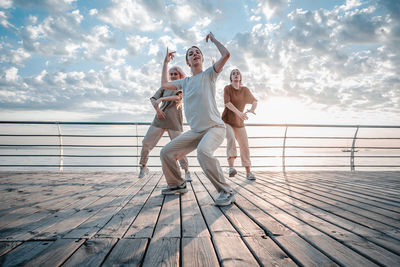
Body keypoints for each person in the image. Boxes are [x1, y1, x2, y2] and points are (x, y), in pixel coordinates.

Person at [159, 32, 235, 206]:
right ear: (187, 62)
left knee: (203, 152)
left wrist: (214, 39)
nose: (195, 55)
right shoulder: (184, 83)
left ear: (201, 58)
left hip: (215, 128)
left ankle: (226, 191)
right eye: (190, 54)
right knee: (166, 153)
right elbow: (164, 85)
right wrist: (165, 63)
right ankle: (177, 184)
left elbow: (226, 55)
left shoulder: (209, 74)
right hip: (196, 132)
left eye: (197, 52)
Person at [138, 49, 191, 181]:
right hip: (160, 120)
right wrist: (157, 109)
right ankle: (143, 167)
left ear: (180, 76)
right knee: (146, 143)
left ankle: (186, 171)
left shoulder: (181, 87)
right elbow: (152, 98)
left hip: (174, 122)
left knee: (180, 148)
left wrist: (161, 100)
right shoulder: (164, 87)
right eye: (171, 74)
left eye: (175, 74)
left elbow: (177, 98)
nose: (173, 76)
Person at [221, 68, 258, 180]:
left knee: (244, 146)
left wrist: (251, 109)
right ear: (231, 77)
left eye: (238, 73)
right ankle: (231, 168)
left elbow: (255, 101)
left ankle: (248, 173)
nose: (236, 75)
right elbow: (227, 103)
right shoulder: (227, 88)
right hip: (227, 121)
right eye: (233, 73)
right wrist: (239, 113)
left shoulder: (245, 90)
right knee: (231, 138)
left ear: (240, 77)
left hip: (239, 123)